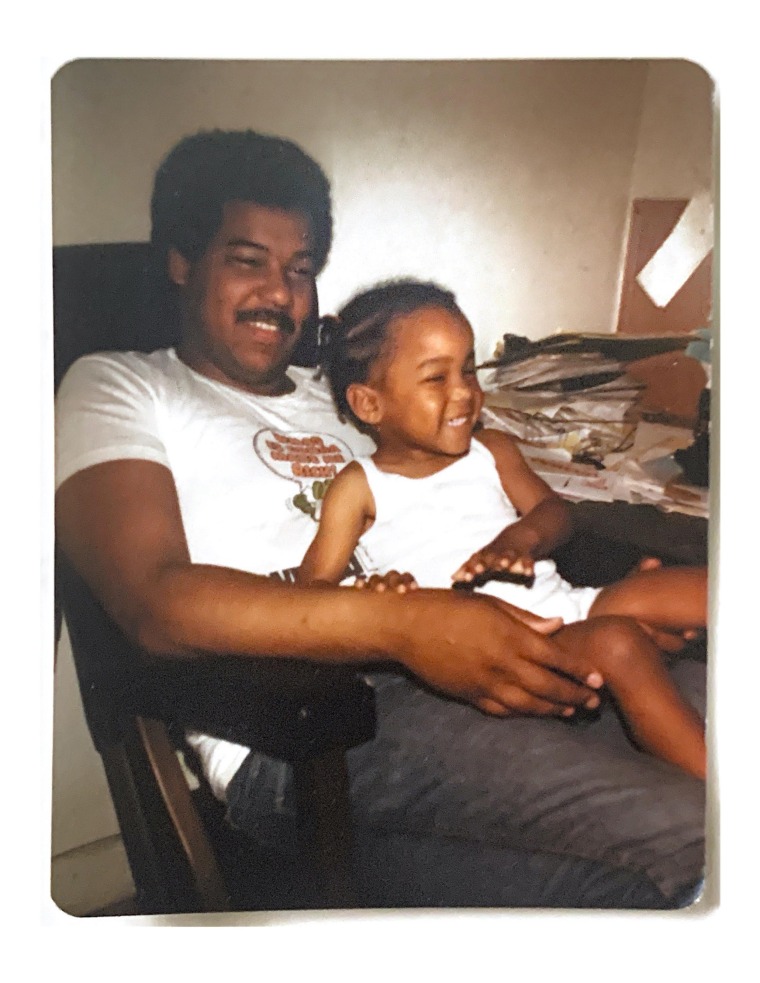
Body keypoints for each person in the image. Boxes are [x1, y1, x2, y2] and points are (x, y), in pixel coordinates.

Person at [55, 128, 706, 908]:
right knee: (694, 831)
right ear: (181, 262)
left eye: (300, 269)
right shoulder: (119, 385)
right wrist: (402, 627)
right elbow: (153, 601)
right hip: (311, 724)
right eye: (246, 260)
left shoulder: (341, 398)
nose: (280, 294)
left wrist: (590, 606)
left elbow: (460, 504)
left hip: (478, 641)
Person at [298, 279, 708, 779]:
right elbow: (311, 592)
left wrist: (521, 538)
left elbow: (554, 511)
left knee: (703, 587)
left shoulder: (492, 450)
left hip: (574, 605)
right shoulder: (359, 487)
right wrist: (372, 597)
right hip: (512, 650)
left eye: (468, 369)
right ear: (369, 405)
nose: (465, 392)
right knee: (620, 645)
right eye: (436, 378)